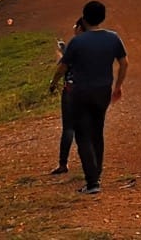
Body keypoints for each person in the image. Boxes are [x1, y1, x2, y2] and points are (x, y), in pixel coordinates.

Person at [50, 0, 127, 196]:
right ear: (103, 17)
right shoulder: (113, 38)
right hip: (103, 92)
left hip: (81, 93)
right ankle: (97, 174)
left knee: (83, 135)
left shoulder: (77, 42)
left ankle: (92, 182)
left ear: (84, 18)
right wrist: (118, 86)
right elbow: (124, 63)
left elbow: (63, 67)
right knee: (97, 132)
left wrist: (53, 82)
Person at [50, 17, 87, 175]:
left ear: (80, 28)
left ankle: (63, 164)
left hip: (72, 90)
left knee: (69, 128)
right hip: (90, 90)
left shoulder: (74, 45)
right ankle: (89, 162)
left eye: (75, 26)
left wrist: (53, 83)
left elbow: (62, 68)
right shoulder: (97, 44)